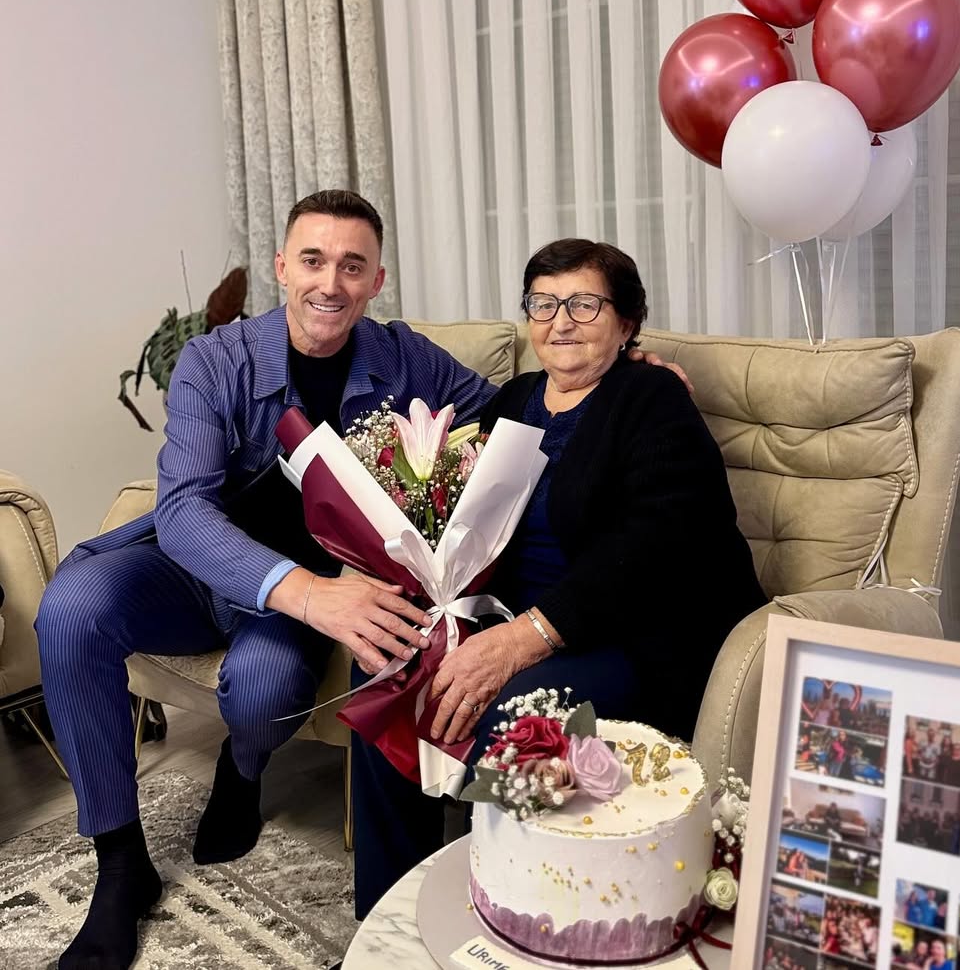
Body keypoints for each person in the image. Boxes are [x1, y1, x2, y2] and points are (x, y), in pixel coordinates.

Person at [36, 196, 688, 970]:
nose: (331, 283)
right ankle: (120, 864)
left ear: (376, 279)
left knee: (264, 690)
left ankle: (242, 769)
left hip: (309, 596)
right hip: (193, 571)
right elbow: (180, 513)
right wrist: (308, 593)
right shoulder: (216, 360)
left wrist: (629, 371)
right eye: (313, 260)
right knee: (71, 608)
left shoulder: (404, 358)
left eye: (353, 265)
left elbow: (516, 413)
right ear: (282, 266)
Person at [348, 237, 766, 917]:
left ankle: (515, 913)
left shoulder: (651, 397)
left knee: (514, 718)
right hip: (512, 614)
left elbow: (656, 545)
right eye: (543, 304)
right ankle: (390, 915)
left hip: (632, 637)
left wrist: (523, 638)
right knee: (385, 676)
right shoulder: (514, 399)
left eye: (583, 304)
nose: (560, 321)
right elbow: (466, 514)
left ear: (626, 323)